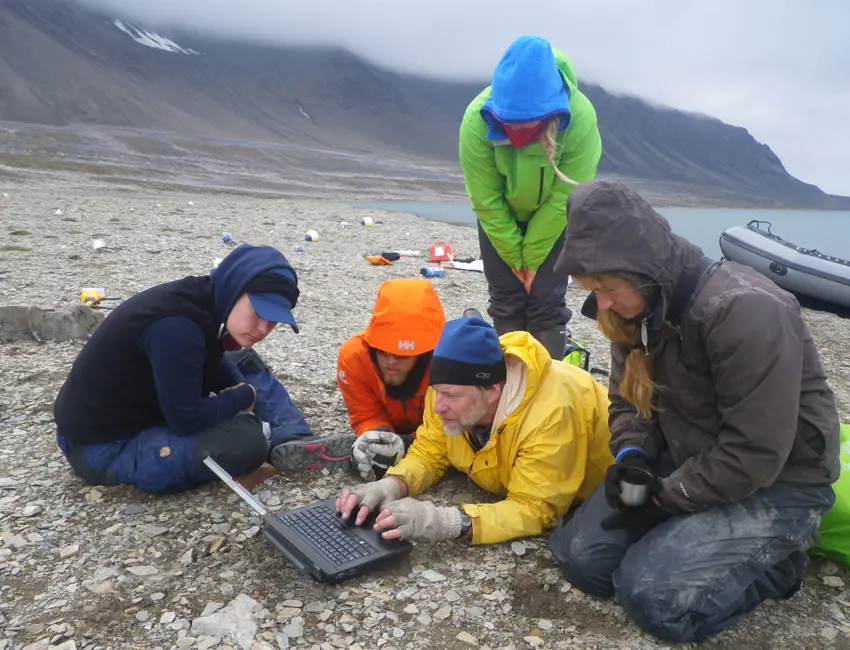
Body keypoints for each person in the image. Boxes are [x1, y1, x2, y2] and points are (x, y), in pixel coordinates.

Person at [547, 180, 840, 643]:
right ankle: (681, 538)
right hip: (687, 457)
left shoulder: (745, 310)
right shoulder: (635, 310)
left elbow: (755, 452)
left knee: (651, 597)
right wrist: (633, 459)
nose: (600, 303)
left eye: (606, 287)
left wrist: (662, 500)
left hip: (780, 483)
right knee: (583, 560)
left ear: (641, 268)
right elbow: (627, 401)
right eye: (591, 288)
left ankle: (780, 567)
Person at [53, 244, 347, 494]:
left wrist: (237, 388)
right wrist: (242, 397)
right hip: (100, 447)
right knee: (247, 440)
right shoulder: (178, 327)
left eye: (273, 322)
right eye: (259, 314)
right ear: (235, 289)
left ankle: (292, 439)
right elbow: (185, 419)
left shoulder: (204, 303)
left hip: (148, 409)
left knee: (243, 359)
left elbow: (215, 359)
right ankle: (258, 448)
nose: (263, 329)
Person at [335, 316, 614, 545]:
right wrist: (390, 485)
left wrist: (444, 521)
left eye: (451, 396)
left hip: (609, 487)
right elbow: (431, 452)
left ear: (492, 391)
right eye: (436, 391)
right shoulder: (448, 390)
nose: (438, 406)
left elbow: (535, 509)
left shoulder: (551, 413)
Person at [458, 34, 602, 360]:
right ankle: (508, 385)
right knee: (506, 300)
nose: (516, 134)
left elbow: (565, 195)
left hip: (555, 217)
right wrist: (514, 257)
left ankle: (546, 390)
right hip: (501, 216)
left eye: (528, 125)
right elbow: (486, 199)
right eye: (508, 124)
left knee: (547, 303)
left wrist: (533, 259)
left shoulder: (579, 118)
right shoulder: (475, 118)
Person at [337, 278, 446, 481]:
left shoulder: (450, 363)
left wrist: (410, 444)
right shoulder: (354, 357)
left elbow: (450, 428)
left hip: (433, 434)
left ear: (426, 353)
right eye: (382, 350)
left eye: (403, 354)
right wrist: (378, 434)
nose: (391, 361)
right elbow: (365, 413)